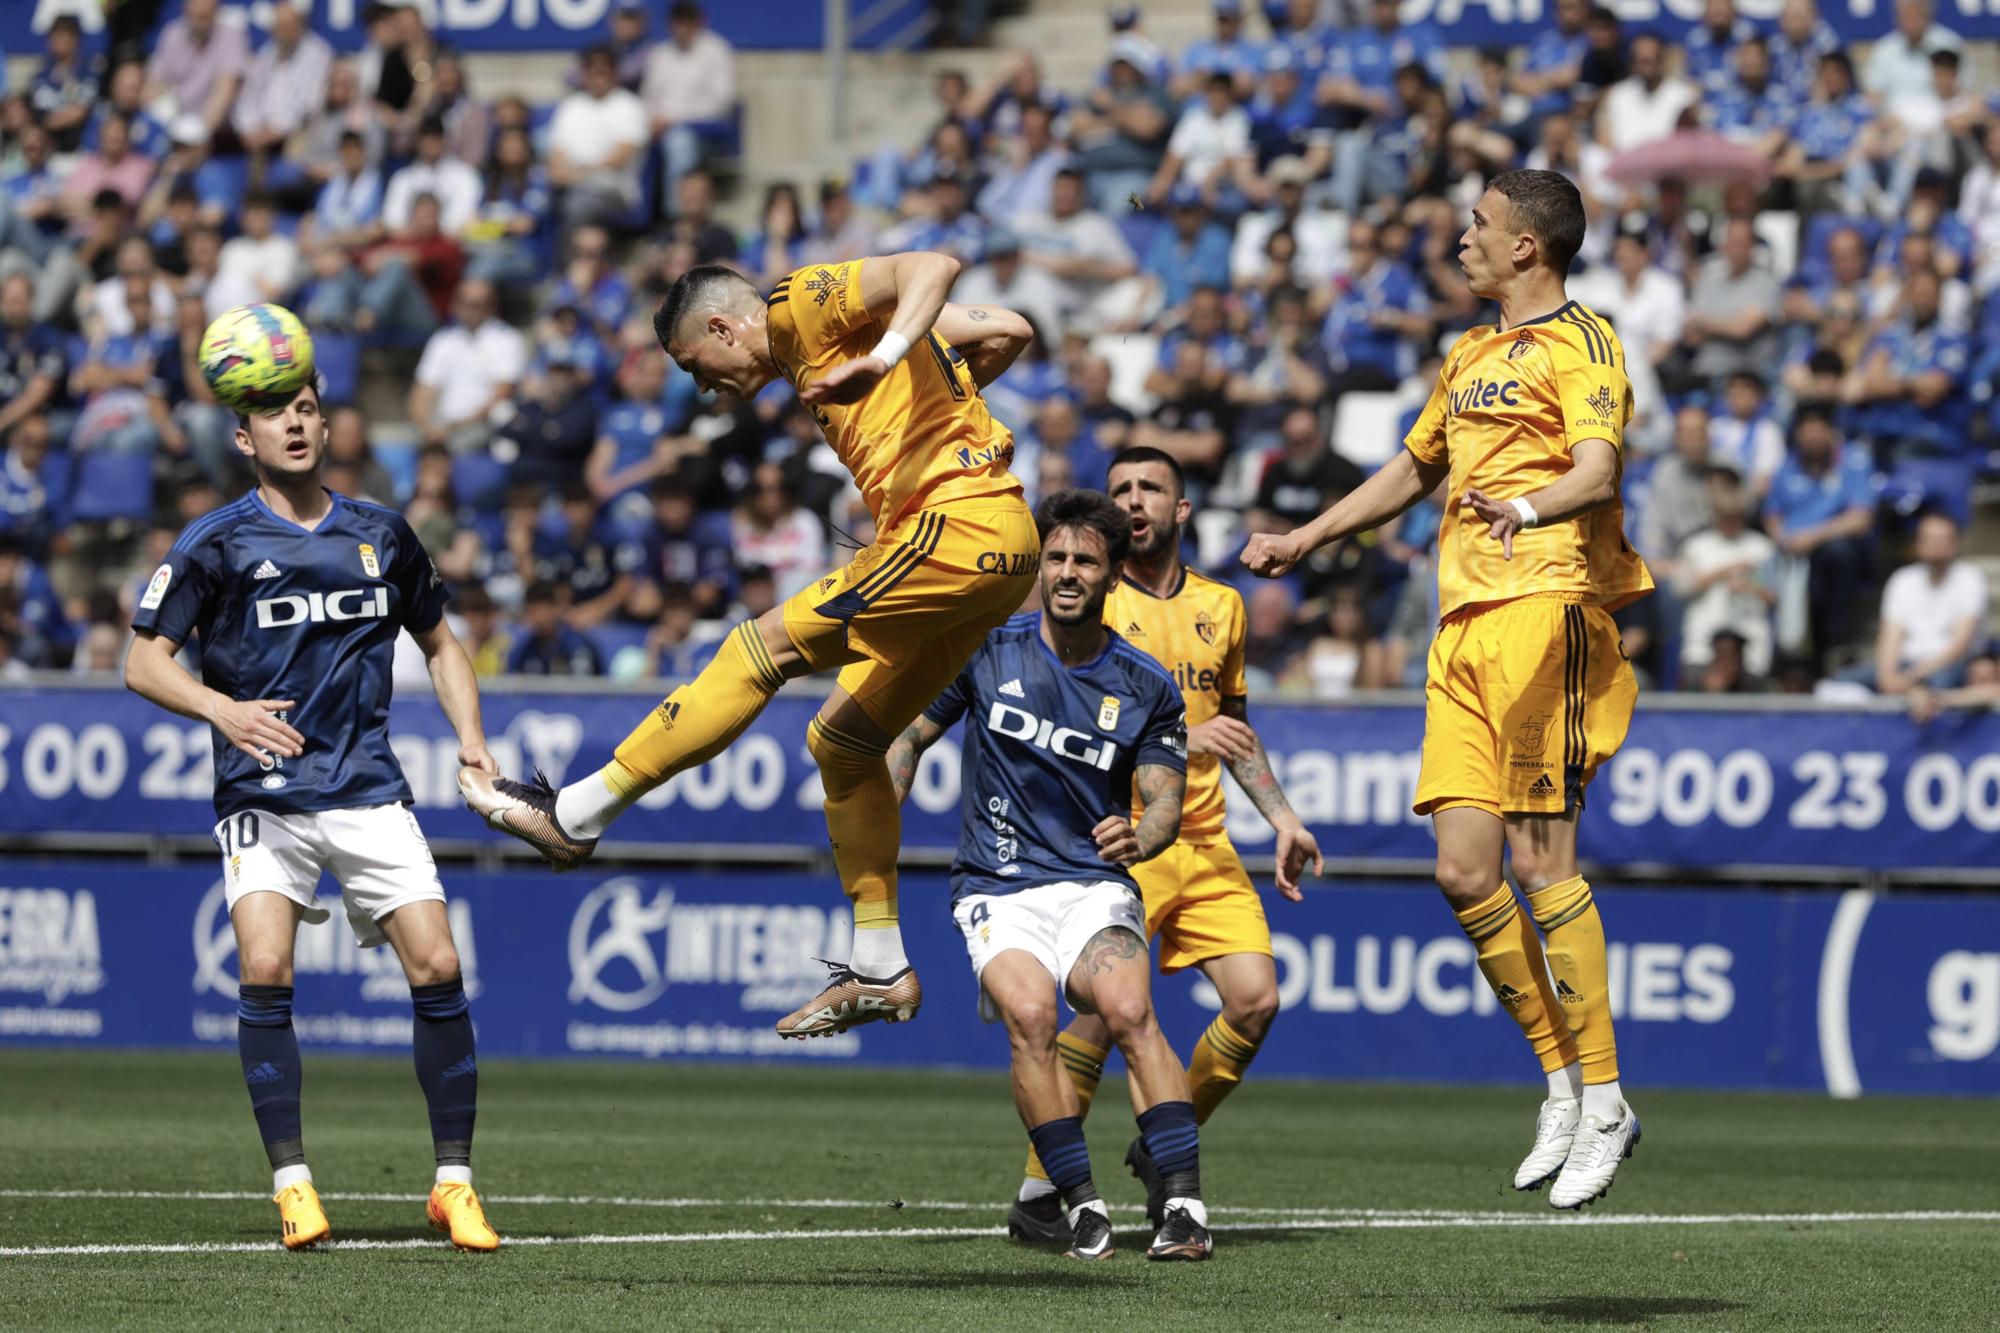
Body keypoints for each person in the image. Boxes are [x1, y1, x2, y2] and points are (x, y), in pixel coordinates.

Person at [460, 253, 1041, 1041]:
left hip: (956, 528)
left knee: (753, 649)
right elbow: (1010, 329)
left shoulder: (799, 303)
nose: (704, 388)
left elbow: (933, 264)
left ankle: (577, 812)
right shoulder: (845, 336)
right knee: (843, 743)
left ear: (725, 327)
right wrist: (929, 384)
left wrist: (884, 361)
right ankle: (880, 964)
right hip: (1002, 554)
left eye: (697, 366)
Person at [1243, 170, 1652, 1209]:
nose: (1461, 238)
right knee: (1464, 873)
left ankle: (1605, 1096)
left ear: (1526, 247)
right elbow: (1408, 470)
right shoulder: (1466, 354)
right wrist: (1307, 534)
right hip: (1459, 626)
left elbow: (1597, 470)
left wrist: (1523, 504)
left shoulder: (1584, 342)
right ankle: (1559, 1080)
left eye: (1478, 225)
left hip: (1544, 611)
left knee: (1539, 852)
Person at [122, 377, 500, 1253]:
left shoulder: (381, 532)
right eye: (272, 415)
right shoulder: (214, 540)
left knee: (439, 960)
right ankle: (293, 1184)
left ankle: (455, 1184)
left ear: (326, 426)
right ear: (244, 438)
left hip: (367, 784)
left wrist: (473, 740)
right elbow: (144, 664)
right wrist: (226, 711)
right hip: (263, 792)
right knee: (264, 967)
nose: (292, 424)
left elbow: (441, 642)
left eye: (304, 411)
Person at [884, 488, 1211, 1262]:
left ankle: (1185, 1206)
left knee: (1130, 1010)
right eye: (1056, 558)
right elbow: (908, 739)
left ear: (1112, 575)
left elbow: (1168, 798)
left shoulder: (1145, 685)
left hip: (1092, 882)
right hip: (996, 884)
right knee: (1031, 1018)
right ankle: (1080, 1203)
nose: (1066, 572)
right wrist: (880, 803)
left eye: (1084, 561)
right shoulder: (985, 648)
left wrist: (1140, 833)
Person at [1006, 447, 1321, 1244]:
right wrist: (1180, 723)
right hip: (1121, 839)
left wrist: (1281, 816)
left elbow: (1233, 726)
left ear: (1183, 511)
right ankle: (1043, 1190)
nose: (1134, 500)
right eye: (1120, 489)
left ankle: (1159, 1144)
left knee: (1256, 999)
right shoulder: (1089, 600)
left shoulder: (1225, 606)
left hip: (1205, 837)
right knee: (1102, 1021)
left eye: (1151, 488)